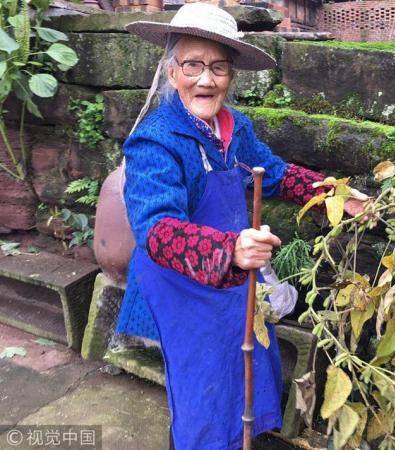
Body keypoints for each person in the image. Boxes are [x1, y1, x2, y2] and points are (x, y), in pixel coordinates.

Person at [112, 3, 366, 449]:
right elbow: (156, 230)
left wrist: (335, 195)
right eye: (192, 64)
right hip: (182, 282)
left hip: (235, 275)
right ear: (172, 72)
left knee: (250, 364)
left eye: (219, 67)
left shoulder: (234, 127)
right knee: (204, 386)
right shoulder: (155, 140)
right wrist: (228, 250)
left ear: (231, 75)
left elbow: (274, 172)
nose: (206, 79)